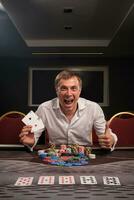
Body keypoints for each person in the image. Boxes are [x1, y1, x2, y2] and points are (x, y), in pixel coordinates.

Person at [19, 70, 117, 151]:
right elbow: (32, 137)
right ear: (56, 90)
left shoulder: (94, 108)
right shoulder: (43, 108)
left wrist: (111, 140)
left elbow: (106, 135)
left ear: (80, 90)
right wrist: (31, 142)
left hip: (85, 156)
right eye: (63, 88)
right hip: (55, 156)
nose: (68, 93)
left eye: (73, 88)